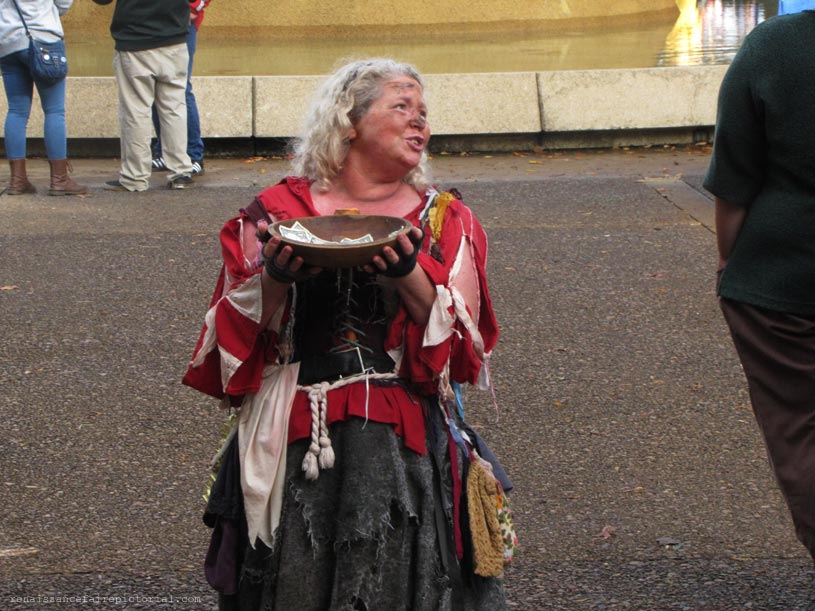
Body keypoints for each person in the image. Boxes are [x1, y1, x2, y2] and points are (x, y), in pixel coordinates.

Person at [183, 58, 514, 610]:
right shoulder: (276, 212)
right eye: (401, 107)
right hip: (291, 420)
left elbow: (463, 353)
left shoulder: (444, 218)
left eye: (423, 112)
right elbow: (225, 344)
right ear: (348, 122)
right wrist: (277, 276)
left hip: (401, 428)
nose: (420, 123)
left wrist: (407, 271)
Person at [704, 7, 815, 584]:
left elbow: (734, 176)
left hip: (782, 281)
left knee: (800, 425)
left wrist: (730, 258)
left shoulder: (774, 46)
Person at [92, 0, 195, 191]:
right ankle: (180, 172)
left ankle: (135, 177)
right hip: (174, 36)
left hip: (134, 39)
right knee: (174, 108)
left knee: (136, 111)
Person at [0, 0, 86, 196]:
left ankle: (17, 180)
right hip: (44, 38)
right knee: (54, 111)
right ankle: (59, 180)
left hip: (7, 42)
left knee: (17, 111)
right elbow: (63, 4)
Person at [150, 0, 211, 177]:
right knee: (155, 85)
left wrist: (195, 6)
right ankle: (164, 151)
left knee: (181, 88)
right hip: (154, 21)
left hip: (181, 21)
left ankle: (193, 156)